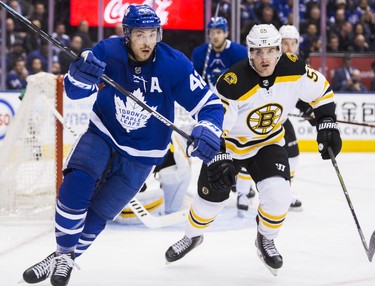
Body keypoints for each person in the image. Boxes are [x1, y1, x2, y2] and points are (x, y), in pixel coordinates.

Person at [21, 4, 224, 286]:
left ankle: (61, 256)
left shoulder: (174, 64)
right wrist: (79, 75)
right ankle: (65, 253)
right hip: (103, 133)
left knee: (99, 214)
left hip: (143, 154)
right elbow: (73, 90)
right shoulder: (107, 50)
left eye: (153, 34)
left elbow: (210, 105)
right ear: (127, 34)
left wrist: (209, 126)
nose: (147, 42)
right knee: (76, 184)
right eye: (140, 35)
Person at [165, 24, 342, 276]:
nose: (264, 58)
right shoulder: (232, 82)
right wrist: (220, 156)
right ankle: (192, 236)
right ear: (249, 53)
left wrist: (327, 122)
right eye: (258, 52)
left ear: (279, 51)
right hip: (231, 145)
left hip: (268, 143)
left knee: (279, 196)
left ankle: (266, 238)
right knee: (208, 203)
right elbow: (217, 123)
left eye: (270, 51)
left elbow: (321, 91)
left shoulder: (294, 68)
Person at [191, 16, 255, 216]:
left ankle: (243, 192)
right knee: (215, 147)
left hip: (236, 109)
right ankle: (220, 183)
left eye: (219, 32)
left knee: (242, 147)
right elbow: (195, 81)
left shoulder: (237, 52)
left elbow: (249, 80)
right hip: (211, 110)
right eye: (212, 32)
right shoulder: (200, 53)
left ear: (226, 33)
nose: (215, 35)